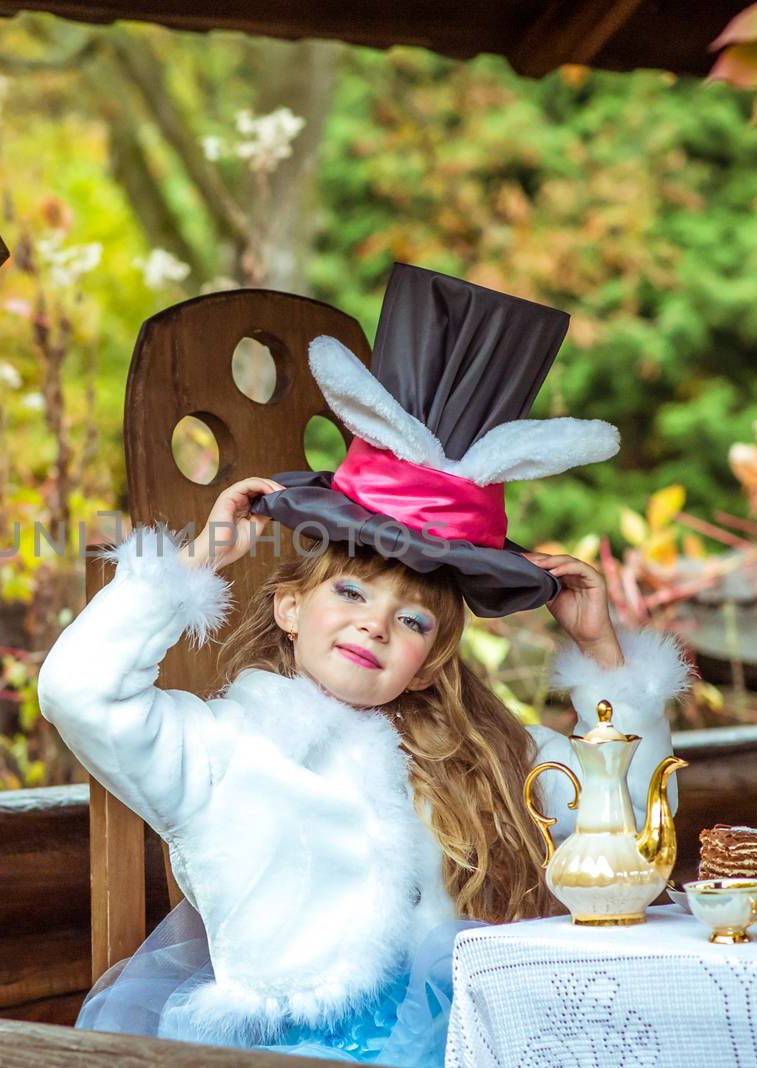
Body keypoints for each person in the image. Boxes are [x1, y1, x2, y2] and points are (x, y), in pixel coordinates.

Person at [38, 264, 691, 1065]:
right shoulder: (217, 750)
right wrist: (199, 561)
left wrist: (603, 657)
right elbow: (78, 691)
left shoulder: (486, 753)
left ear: (426, 664)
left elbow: (627, 837)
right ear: (288, 607)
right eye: (349, 591)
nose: (375, 624)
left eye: (411, 619)